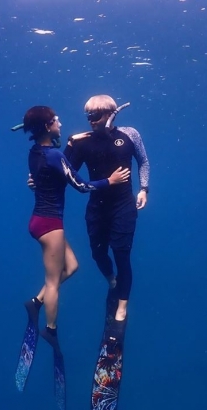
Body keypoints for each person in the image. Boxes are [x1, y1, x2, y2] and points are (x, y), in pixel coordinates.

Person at [19, 105, 130, 348]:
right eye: (56, 120)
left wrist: (72, 141)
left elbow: (53, 170)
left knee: (71, 267)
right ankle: (51, 330)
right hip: (51, 225)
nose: (60, 121)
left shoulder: (35, 152)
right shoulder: (54, 157)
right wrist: (110, 181)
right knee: (52, 282)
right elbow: (81, 185)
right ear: (48, 126)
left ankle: (37, 302)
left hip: (40, 221)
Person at [63, 95, 150, 324]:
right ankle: (112, 281)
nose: (91, 120)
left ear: (111, 114)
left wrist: (144, 189)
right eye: (88, 115)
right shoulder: (83, 142)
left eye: (96, 115)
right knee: (98, 254)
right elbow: (65, 171)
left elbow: (143, 161)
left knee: (122, 256)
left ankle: (122, 307)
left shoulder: (130, 134)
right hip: (97, 208)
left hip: (123, 207)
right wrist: (69, 144)